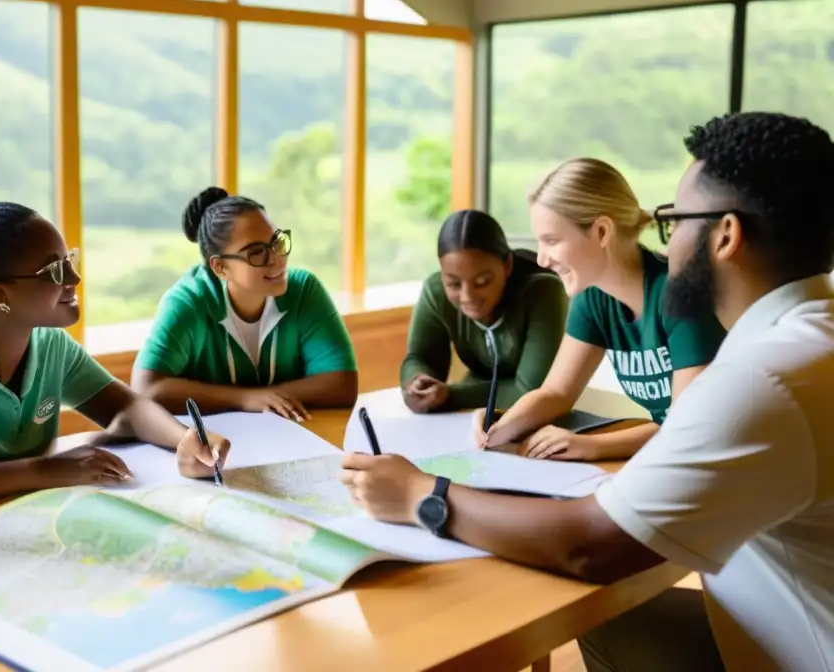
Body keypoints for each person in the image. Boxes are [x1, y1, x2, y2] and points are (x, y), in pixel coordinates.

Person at [341, 111, 834, 672]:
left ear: (725, 235)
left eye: (674, 224)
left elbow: (590, 545)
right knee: (609, 617)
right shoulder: (811, 340)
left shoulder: (762, 378)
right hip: (779, 627)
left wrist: (421, 495)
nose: (666, 247)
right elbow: (555, 393)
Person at [0, 203, 230, 517]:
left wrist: (186, 438)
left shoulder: (52, 345)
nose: (74, 278)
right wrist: (46, 471)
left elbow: (128, 409)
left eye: (68, 261)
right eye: (55, 271)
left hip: (37, 520)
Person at [473, 157, 726, 462]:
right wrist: (500, 428)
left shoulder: (679, 297)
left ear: (602, 232)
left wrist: (589, 446)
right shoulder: (593, 299)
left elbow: (687, 427)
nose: (542, 259)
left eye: (551, 241)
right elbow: (556, 393)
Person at [130, 187, 358, 421]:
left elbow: (342, 383)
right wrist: (246, 399)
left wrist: (264, 397)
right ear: (220, 267)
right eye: (256, 253)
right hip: (209, 450)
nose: (276, 259)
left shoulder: (303, 290)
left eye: (277, 242)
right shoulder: (188, 302)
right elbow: (146, 390)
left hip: (289, 439)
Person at [400, 209, 568, 413]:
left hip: (545, 411)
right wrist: (417, 382)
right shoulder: (436, 292)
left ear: (507, 265)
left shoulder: (544, 292)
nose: (468, 296)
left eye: (482, 282)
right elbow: (419, 358)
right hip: (475, 405)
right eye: (453, 283)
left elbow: (531, 392)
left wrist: (451, 394)